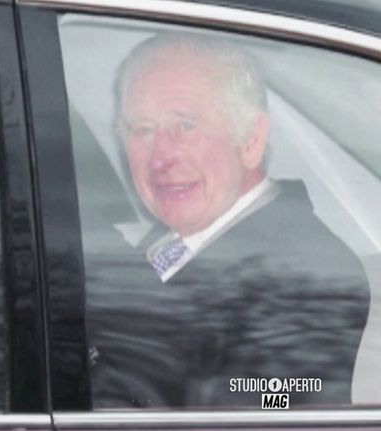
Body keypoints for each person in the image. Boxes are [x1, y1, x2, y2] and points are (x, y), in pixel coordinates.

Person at [85, 34, 370, 408]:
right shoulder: (167, 247)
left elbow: (258, 413)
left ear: (251, 140)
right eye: (143, 130)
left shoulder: (304, 279)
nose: (160, 158)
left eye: (185, 126)